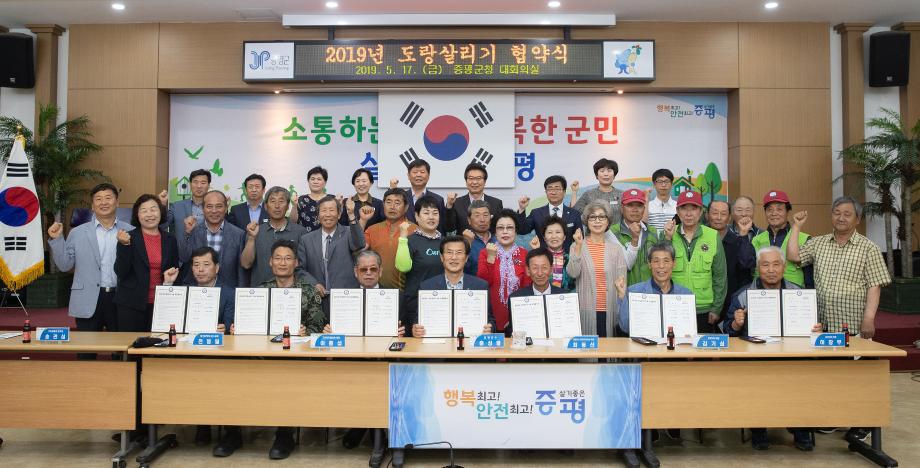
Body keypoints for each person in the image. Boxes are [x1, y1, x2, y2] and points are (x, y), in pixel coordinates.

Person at [224, 239, 324, 459]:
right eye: (278, 258)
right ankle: (232, 433)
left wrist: (306, 332)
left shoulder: (308, 292)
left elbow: (318, 329)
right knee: (233, 374)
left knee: (287, 378)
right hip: (262, 356)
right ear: (270, 262)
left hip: (294, 359)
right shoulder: (260, 291)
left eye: (288, 258)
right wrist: (238, 328)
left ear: (296, 263)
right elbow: (248, 324)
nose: (282, 263)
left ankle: (284, 435)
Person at [723, 246, 822, 451]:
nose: (771, 270)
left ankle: (801, 429)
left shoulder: (798, 293)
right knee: (756, 383)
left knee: (802, 381)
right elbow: (728, 331)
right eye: (765, 265)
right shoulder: (743, 295)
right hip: (756, 359)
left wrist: (816, 329)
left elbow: (813, 329)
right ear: (757, 268)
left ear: (784, 267)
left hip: (792, 357)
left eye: (776, 264)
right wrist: (736, 324)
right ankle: (759, 429)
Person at [47, 183, 133, 357]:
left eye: (108, 198)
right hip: (87, 297)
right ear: (92, 205)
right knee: (86, 352)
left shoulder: (131, 231)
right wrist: (57, 240)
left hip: (120, 297)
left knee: (121, 352)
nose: (104, 202)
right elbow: (65, 265)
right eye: (98, 199)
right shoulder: (77, 232)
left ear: (117, 202)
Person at [787, 196, 891, 338]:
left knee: (853, 354)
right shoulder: (818, 243)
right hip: (821, 326)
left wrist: (868, 319)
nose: (841, 218)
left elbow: (874, 286)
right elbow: (793, 256)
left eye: (847, 214)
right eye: (837, 213)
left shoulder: (869, 248)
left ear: (857, 219)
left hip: (852, 326)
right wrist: (796, 226)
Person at [161, 246, 233, 448]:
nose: (200, 270)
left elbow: (231, 327)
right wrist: (168, 284)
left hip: (219, 355)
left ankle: (230, 430)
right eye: (196, 265)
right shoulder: (184, 291)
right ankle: (202, 424)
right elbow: (165, 318)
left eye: (206, 264)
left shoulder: (229, 293)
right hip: (189, 352)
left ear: (217, 268)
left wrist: (225, 329)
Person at [662, 191, 726, 333]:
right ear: (677, 211)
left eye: (694, 208)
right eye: (684, 208)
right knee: (674, 345)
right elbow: (660, 269)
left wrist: (716, 308)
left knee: (701, 346)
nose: (689, 213)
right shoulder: (668, 233)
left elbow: (720, 276)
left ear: (701, 211)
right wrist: (667, 239)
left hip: (704, 309)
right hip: (674, 305)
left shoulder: (712, 235)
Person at [114, 194, 180, 332]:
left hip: (161, 303)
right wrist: (124, 245)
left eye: (153, 209)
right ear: (137, 215)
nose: (149, 214)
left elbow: (174, 269)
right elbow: (121, 271)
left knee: (159, 343)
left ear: (160, 212)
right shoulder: (128, 238)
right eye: (144, 210)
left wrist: (170, 278)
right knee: (130, 344)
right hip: (131, 304)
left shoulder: (170, 239)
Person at [566, 200, 630, 337]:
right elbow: (572, 273)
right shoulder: (576, 245)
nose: (597, 221)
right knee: (588, 347)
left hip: (610, 309)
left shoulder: (616, 249)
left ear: (608, 221)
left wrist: (621, 306)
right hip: (586, 309)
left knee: (608, 348)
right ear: (587, 221)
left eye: (602, 217)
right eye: (593, 217)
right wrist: (578, 246)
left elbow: (622, 283)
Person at [413, 236, 494, 337]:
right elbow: (418, 320)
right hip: (437, 343)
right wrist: (416, 329)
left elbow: (490, 320)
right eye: (449, 252)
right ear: (442, 257)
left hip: (470, 343)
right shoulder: (427, 287)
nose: (454, 257)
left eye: (459, 253)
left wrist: (489, 328)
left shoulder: (480, 286)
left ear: (466, 258)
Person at [297, 195, 374, 295]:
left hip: (345, 296)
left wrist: (351, 214)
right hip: (317, 297)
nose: (328, 214)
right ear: (318, 216)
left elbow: (360, 244)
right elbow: (299, 269)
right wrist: (314, 284)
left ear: (339, 214)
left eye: (332, 210)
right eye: (324, 210)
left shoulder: (349, 233)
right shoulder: (306, 240)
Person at [615, 243, 693, 335]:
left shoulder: (686, 294)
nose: (661, 266)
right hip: (644, 343)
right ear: (649, 264)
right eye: (656, 261)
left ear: (674, 263)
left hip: (676, 343)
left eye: (666, 261)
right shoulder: (634, 292)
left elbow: (689, 330)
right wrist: (622, 297)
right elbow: (625, 327)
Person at [241, 186, 310, 287]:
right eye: (273, 201)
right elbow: (246, 264)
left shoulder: (300, 232)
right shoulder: (255, 231)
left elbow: (304, 267)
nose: (277, 206)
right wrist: (252, 238)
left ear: (287, 206)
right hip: (261, 291)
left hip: (291, 292)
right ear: (265, 206)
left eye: (281, 201)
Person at [477, 209, 531, 335]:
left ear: (516, 232)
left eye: (510, 228)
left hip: (519, 317)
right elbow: (482, 284)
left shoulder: (524, 254)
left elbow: (527, 288)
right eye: (500, 228)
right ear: (495, 232)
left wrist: (514, 319)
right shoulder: (485, 252)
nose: (505, 231)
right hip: (490, 318)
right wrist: (491, 259)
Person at [176, 190, 246, 287]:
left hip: (228, 290)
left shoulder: (239, 234)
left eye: (219, 206)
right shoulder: (193, 231)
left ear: (226, 208)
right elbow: (184, 257)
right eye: (209, 206)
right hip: (197, 289)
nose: (214, 211)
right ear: (203, 209)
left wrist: (240, 291)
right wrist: (187, 233)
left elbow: (241, 269)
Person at [396, 196, 444, 332]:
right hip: (416, 304)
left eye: (435, 213)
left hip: (442, 303)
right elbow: (403, 267)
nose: (431, 217)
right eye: (426, 213)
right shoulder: (410, 240)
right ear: (416, 216)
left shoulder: (446, 242)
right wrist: (403, 238)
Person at [706, 199, 755, 319]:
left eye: (723, 214)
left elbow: (747, 264)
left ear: (729, 218)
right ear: (707, 215)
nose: (718, 217)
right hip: (705, 303)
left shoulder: (737, 241)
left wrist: (744, 234)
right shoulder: (699, 241)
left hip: (731, 305)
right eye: (714, 213)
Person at [751, 190, 811, 287]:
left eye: (779, 209)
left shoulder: (804, 238)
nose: (774, 213)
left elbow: (809, 276)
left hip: (793, 293)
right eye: (769, 210)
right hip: (762, 292)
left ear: (788, 212)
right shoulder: (756, 240)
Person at [505, 248, 567, 333]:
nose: (540, 273)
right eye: (535, 268)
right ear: (528, 270)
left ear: (551, 270)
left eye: (544, 268)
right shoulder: (516, 298)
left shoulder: (565, 297)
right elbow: (512, 332)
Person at [364, 188, 416, 290]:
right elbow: (358, 250)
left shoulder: (415, 230)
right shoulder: (372, 229)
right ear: (383, 205)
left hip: (406, 292)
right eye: (388, 202)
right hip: (375, 291)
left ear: (406, 207)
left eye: (397, 203)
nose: (392, 207)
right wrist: (362, 220)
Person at [517, 175, 583, 250]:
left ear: (564, 192)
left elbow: (580, 239)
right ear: (546, 192)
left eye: (557, 189)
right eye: (550, 189)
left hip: (568, 256)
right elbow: (522, 230)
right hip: (543, 255)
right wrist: (522, 208)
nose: (553, 192)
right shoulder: (536, 213)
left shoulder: (574, 214)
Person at [611, 188, 657, 285]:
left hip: (649, 290)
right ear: (622, 208)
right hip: (623, 289)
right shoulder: (612, 232)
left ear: (644, 208)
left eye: (639, 206)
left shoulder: (653, 232)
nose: (635, 209)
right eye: (630, 205)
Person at [445, 163, 503, 234]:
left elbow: (500, 229)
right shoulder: (457, 203)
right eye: (471, 178)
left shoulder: (496, 203)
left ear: (485, 181)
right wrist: (449, 206)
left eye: (478, 178)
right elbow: (449, 228)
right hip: (464, 241)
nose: (475, 182)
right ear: (466, 181)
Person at [391, 159, 446, 232]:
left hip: (428, 238)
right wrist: (392, 192)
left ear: (428, 175)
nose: (418, 175)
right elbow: (389, 218)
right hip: (404, 237)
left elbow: (441, 227)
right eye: (415, 172)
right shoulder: (400, 198)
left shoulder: (438, 199)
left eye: (422, 172)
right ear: (408, 176)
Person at [571, 158, 623, 226]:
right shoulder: (589, 194)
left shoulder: (622, 194)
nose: (606, 174)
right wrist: (574, 192)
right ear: (597, 175)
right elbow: (574, 212)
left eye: (609, 171)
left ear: (614, 175)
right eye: (602, 171)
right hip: (594, 231)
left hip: (618, 232)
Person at [160, 168, 210, 236]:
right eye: (195, 182)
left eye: (203, 183)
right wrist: (162, 205)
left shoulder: (215, 208)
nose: (199, 186)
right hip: (183, 243)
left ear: (208, 185)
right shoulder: (177, 206)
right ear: (190, 184)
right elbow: (162, 225)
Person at [530, 217, 574, 291]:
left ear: (564, 237)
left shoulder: (570, 259)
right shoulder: (539, 257)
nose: (554, 236)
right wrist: (536, 251)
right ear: (544, 238)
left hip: (566, 297)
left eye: (558, 232)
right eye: (550, 232)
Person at [460, 200, 497, 275]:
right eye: (477, 216)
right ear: (469, 220)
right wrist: (467, 245)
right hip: (472, 282)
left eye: (485, 215)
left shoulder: (499, 240)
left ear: (490, 218)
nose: (482, 220)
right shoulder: (462, 242)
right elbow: (459, 269)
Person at [290, 165, 329, 233]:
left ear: (325, 182)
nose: (315, 182)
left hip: (328, 237)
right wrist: (294, 206)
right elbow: (292, 221)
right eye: (312, 179)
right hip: (304, 237)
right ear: (308, 181)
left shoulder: (331, 200)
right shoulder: (301, 200)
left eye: (319, 179)